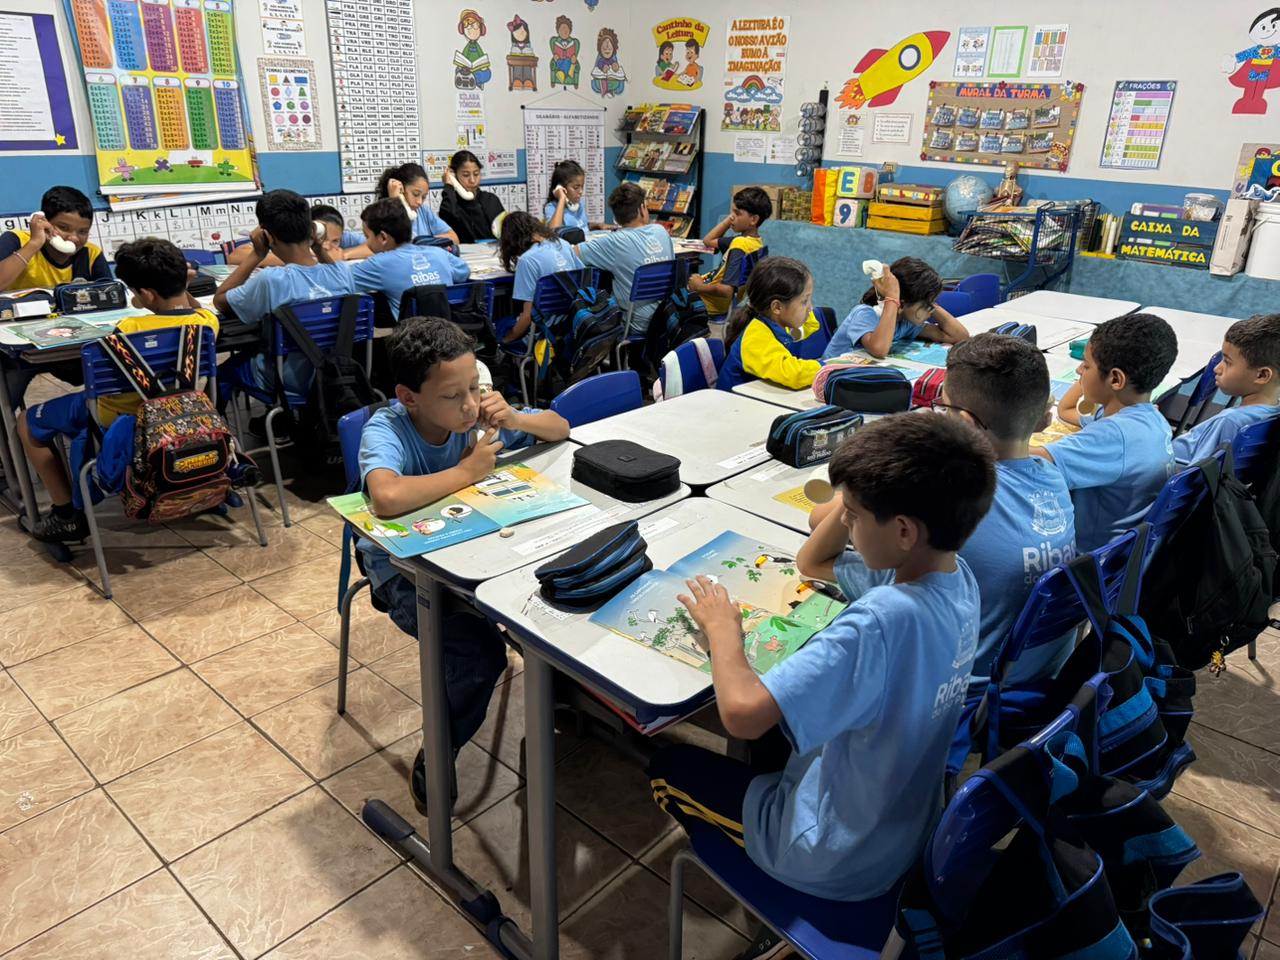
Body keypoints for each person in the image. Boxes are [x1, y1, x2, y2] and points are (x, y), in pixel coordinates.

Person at [650, 413, 995, 901]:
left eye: (852, 514)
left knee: (669, 770)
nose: (845, 523)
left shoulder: (881, 618)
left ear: (902, 531)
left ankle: (761, 881)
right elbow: (812, 562)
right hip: (905, 830)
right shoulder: (957, 579)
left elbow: (742, 715)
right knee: (783, 728)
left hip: (830, 856)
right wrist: (859, 484)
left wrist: (724, 630)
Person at [358, 317, 569, 811]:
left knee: (551, 604)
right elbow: (386, 496)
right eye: (453, 395)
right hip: (401, 572)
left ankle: (564, 699)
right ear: (409, 397)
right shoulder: (387, 427)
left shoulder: (476, 418)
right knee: (478, 654)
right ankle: (441, 746)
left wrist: (514, 418)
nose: (470, 404)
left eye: (475, 387)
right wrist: (465, 470)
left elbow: (559, 428)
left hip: (473, 555)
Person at [17, 238, 218, 542]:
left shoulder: (127, 330)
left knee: (26, 422)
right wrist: (180, 288)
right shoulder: (206, 323)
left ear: (146, 294)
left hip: (124, 421)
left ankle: (64, 515)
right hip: (184, 416)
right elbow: (188, 309)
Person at [937, 334, 1077, 693]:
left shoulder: (952, 493)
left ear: (965, 423)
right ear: (1044, 418)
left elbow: (820, 524)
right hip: (1041, 675)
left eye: (943, 409)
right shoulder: (1054, 478)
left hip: (966, 690)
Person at [1032, 313, 1178, 551]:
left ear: (1116, 379)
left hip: (1088, 558)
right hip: (1125, 553)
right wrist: (1093, 373)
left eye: (1086, 365)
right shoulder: (1151, 418)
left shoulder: (1113, 436)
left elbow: (1031, 460)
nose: (1078, 370)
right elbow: (1066, 411)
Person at [213, 189, 356, 408]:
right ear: (311, 229)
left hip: (287, 378)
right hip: (337, 372)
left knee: (223, 372)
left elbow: (220, 300)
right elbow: (332, 271)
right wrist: (318, 247)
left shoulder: (272, 280)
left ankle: (220, 437)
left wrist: (257, 254)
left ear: (267, 235)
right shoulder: (342, 273)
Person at [1173, 313, 1280, 464]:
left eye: (1227, 362)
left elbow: (1195, 478)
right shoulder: (1274, 413)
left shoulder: (1230, 421)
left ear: (1262, 375)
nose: (1217, 368)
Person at [572, 182, 672, 337]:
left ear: (616, 218)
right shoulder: (661, 231)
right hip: (666, 315)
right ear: (642, 209)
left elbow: (574, 253)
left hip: (634, 323)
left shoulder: (614, 241)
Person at [822, 257, 969, 361]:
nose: (931, 310)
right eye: (926, 305)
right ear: (902, 304)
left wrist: (930, 302)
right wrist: (892, 297)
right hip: (829, 380)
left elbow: (959, 337)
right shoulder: (864, 314)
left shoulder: (907, 322)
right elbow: (879, 349)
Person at [350, 199, 470, 322]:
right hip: (449, 334)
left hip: (411, 338)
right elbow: (464, 272)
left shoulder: (378, 264)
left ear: (383, 237)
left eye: (367, 237)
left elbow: (339, 280)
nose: (366, 242)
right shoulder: (438, 253)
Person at [716, 257, 823, 393]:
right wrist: (827, 368)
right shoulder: (756, 336)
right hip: (734, 408)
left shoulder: (774, 323)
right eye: (804, 301)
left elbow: (810, 326)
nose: (810, 307)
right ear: (777, 307)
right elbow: (793, 374)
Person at [0, 186, 111, 291]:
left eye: (83, 231)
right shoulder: (15, 241)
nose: (74, 238)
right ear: (45, 222)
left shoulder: (91, 253)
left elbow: (112, 294)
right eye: (63, 228)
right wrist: (34, 243)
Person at [497, 211, 583, 342]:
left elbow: (526, 319)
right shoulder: (563, 244)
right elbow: (583, 274)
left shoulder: (527, 260)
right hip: (573, 320)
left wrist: (505, 340)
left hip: (545, 331)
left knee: (501, 324)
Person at [346, 164, 460, 260]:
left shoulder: (423, 211)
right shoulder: (381, 214)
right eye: (415, 194)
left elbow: (453, 237)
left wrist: (421, 242)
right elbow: (380, 248)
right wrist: (395, 201)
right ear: (401, 189)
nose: (419, 201)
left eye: (424, 197)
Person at [689, 186, 770, 317]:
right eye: (732, 212)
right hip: (715, 300)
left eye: (737, 213)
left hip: (707, 304)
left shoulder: (740, 245)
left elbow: (727, 290)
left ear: (753, 219)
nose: (732, 217)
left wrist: (699, 287)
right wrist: (730, 220)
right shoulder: (755, 243)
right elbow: (708, 241)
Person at [227, 203, 364, 267]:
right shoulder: (291, 237)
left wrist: (345, 254)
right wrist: (312, 257)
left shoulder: (342, 237)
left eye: (335, 241)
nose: (327, 245)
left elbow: (376, 246)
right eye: (322, 238)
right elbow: (234, 257)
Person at [438, 150, 506, 244]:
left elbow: (505, 232)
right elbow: (448, 216)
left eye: (476, 174)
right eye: (466, 175)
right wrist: (449, 187)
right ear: (454, 175)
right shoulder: (452, 203)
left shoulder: (491, 199)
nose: (472, 180)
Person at [544, 159, 592, 238]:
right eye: (576, 187)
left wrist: (597, 225)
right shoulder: (551, 207)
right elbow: (553, 232)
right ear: (562, 188)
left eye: (582, 186)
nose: (580, 191)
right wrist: (562, 198)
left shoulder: (580, 204)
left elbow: (580, 226)